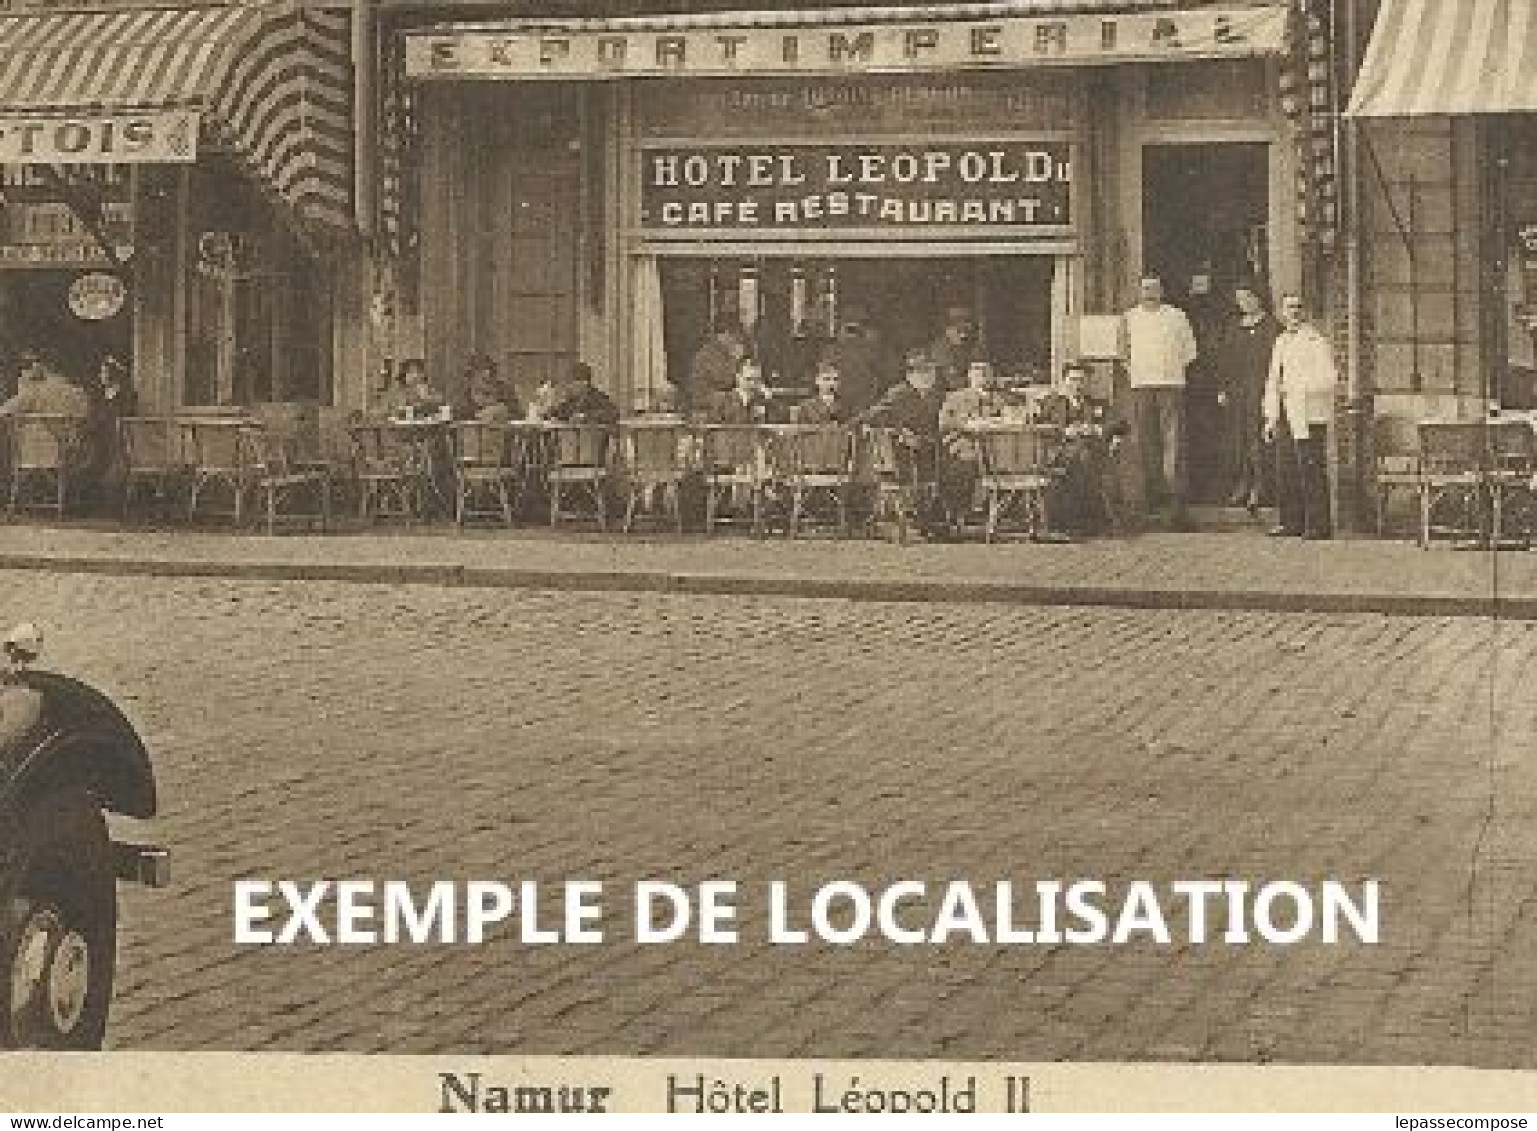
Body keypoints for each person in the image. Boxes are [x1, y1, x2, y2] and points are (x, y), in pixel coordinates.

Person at [1123, 275, 1198, 528]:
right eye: (1145, 288)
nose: (1150, 293)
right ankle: (1150, 505)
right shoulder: (1130, 317)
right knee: (1146, 443)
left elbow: (1189, 352)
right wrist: (1138, 371)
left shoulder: (1177, 316)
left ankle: (1175, 506)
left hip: (1171, 383)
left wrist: (1167, 369)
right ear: (1138, 291)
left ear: (1162, 291)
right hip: (1141, 385)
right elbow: (1123, 352)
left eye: (1155, 288)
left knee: (1173, 444)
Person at [1263, 293, 1339, 540]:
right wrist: (1271, 416)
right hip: (1286, 411)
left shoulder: (1315, 340)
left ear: (1304, 311)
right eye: (1289, 308)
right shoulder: (1281, 341)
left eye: (1298, 307)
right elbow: (1273, 380)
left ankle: (1318, 525)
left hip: (1309, 414)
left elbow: (1329, 379)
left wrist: (1299, 387)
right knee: (1286, 468)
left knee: (1311, 468)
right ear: (1282, 312)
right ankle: (1291, 521)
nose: (1293, 312)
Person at [860, 348, 947, 536]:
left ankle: (936, 514)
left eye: (930, 372)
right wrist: (898, 431)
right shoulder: (899, 394)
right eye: (921, 372)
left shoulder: (937, 396)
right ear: (910, 375)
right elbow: (872, 417)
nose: (927, 377)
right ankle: (918, 514)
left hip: (929, 447)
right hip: (902, 451)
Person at [1218, 285, 1280, 513]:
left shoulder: (1272, 327)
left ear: (1258, 298)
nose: (1243, 302)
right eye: (1239, 299)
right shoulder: (1234, 327)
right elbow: (1224, 360)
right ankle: (1242, 483)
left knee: (1257, 437)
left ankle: (1260, 486)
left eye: (1247, 297)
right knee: (1239, 437)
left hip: (1261, 389)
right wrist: (1223, 388)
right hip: (1237, 391)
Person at [937, 360, 1004, 532]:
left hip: (995, 444)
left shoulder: (1000, 399)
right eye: (978, 374)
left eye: (987, 374)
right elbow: (944, 423)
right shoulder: (955, 397)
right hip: (963, 442)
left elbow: (1009, 417)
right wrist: (966, 424)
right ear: (970, 377)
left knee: (1012, 464)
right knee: (966, 462)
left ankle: (996, 512)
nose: (983, 378)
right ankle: (960, 513)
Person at [821, 305, 885, 412]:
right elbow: (826, 371)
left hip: (864, 394)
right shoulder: (832, 350)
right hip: (841, 394)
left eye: (855, 328)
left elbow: (877, 369)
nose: (852, 334)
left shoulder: (869, 347)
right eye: (849, 328)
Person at [0, 350, 89, 418]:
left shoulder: (34, 392)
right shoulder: (80, 394)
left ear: (38, 367)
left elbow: (4, 412)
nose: (20, 374)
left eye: (24, 367)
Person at [687, 322, 748, 411]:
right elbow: (726, 378)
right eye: (735, 338)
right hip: (706, 399)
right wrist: (736, 360)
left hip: (718, 398)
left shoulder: (724, 351)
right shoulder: (709, 353)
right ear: (726, 334)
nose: (737, 341)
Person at [547, 362, 619, 426]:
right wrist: (551, 412)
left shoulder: (598, 397)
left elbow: (613, 413)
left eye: (573, 384)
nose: (570, 387)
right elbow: (559, 412)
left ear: (584, 383)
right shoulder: (572, 400)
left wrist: (585, 417)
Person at [928, 304, 980, 393]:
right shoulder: (940, 349)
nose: (964, 335)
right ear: (947, 329)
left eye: (966, 331)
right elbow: (951, 382)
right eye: (959, 330)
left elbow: (979, 366)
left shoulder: (969, 346)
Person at [702, 359, 770, 425]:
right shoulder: (722, 400)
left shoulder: (761, 403)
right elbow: (709, 429)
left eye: (756, 380)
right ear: (738, 377)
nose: (752, 384)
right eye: (748, 379)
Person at [461, 354, 519, 423]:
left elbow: (519, 415)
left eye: (490, 371)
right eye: (480, 372)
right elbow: (460, 416)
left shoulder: (505, 390)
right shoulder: (468, 394)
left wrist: (501, 410)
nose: (487, 374)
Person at [794, 361, 850, 425]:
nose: (832, 383)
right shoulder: (805, 408)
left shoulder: (845, 409)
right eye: (827, 379)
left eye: (835, 379)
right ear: (817, 381)